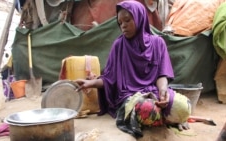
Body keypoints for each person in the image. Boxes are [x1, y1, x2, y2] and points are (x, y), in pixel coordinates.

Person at [75, 0, 191, 138]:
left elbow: (162, 75)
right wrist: (91, 83)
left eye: (127, 20)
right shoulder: (118, 46)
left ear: (139, 17)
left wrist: (163, 92)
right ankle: (169, 118)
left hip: (154, 93)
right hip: (131, 97)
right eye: (120, 23)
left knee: (185, 106)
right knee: (147, 110)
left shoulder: (157, 43)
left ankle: (166, 116)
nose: (123, 25)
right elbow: (109, 78)